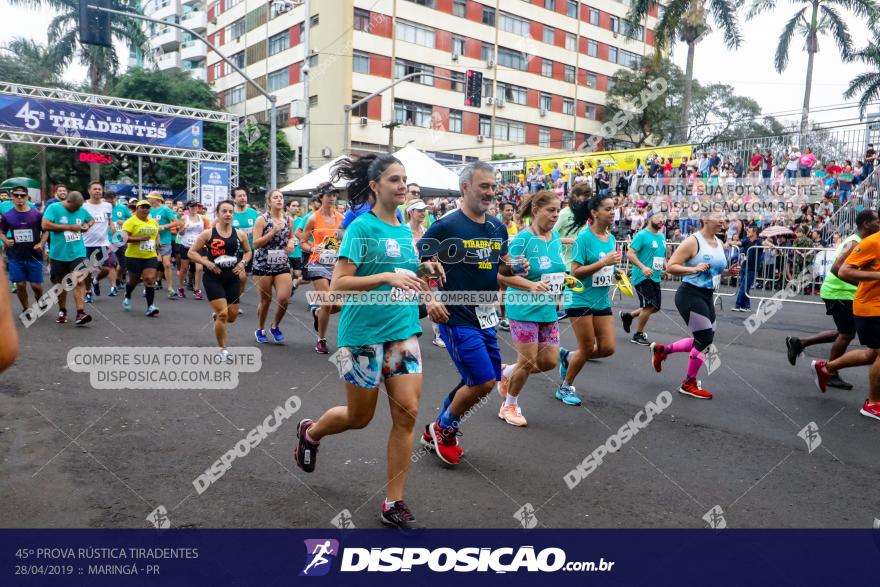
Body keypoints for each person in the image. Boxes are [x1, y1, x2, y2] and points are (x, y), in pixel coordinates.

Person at [294, 153, 440, 529]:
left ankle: (394, 500)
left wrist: (423, 273)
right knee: (359, 417)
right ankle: (311, 432)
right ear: (375, 186)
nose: (403, 185)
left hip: (403, 332)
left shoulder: (406, 230)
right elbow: (339, 285)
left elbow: (403, 273)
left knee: (406, 413)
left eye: (404, 178)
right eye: (394, 179)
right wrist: (385, 278)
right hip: (358, 335)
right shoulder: (360, 228)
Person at [417, 161, 514, 465]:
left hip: (486, 315)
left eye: (493, 186)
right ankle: (443, 428)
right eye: (484, 186)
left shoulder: (498, 227)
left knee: (483, 378)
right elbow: (419, 266)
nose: (490, 192)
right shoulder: (445, 226)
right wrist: (431, 298)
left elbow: (502, 267)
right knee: (483, 381)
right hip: (455, 314)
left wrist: (515, 269)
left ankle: (439, 427)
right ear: (465, 188)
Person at [650, 211, 739, 399]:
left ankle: (662, 350)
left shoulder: (719, 243)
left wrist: (727, 273)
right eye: (718, 217)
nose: (722, 220)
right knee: (705, 339)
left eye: (723, 218)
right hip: (689, 294)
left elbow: (713, 271)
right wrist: (693, 269)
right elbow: (671, 266)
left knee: (704, 339)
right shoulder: (693, 241)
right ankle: (688, 383)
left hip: (707, 295)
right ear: (705, 219)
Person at [788, 210, 880, 389]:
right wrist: (863, 283)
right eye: (877, 221)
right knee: (846, 334)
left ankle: (800, 343)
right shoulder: (855, 242)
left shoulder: (863, 241)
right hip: (839, 292)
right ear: (866, 224)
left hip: (845, 292)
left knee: (844, 332)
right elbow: (837, 268)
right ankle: (829, 372)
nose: (879, 224)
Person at [497, 191, 565, 426]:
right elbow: (503, 277)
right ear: (536, 211)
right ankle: (509, 405)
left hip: (547, 308)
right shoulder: (522, 240)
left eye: (558, 210)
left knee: (549, 361)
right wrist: (530, 285)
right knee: (526, 362)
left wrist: (562, 286)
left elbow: (555, 270)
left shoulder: (555, 237)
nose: (556, 214)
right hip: (523, 308)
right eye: (551, 210)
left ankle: (506, 373)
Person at [557, 194, 619, 405]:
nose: (612, 212)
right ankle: (565, 387)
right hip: (580, 298)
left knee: (608, 347)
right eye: (608, 209)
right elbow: (575, 272)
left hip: (601, 300)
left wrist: (615, 271)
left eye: (614, 208)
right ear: (595, 212)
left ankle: (568, 357)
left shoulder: (610, 238)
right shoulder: (584, 238)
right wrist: (603, 262)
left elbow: (606, 266)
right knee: (586, 347)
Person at [812, 229, 880, 420]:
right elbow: (843, 270)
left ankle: (826, 368)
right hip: (871, 307)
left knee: (871, 354)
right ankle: (873, 404)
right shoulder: (871, 242)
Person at [188, 200, 251, 357]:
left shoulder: (240, 234)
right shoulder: (208, 233)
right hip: (213, 277)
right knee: (223, 315)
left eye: (230, 211)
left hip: (232, 278)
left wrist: (242, 263)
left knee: (232, 317)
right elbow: (192, 252)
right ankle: (222, 348)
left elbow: (248, 252)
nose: (228, 214)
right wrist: (206, 262)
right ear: (218, 213)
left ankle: (218, 317)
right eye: (224, 211)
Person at [300, 182, 344, 354]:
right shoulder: (313, 218)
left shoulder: (341, 218)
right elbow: (302, 242)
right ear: (321, 197)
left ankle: (318, 313)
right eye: (328, 195)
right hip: (317, 263)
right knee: (327, 301)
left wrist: (340, 248)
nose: (332, 198)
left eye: (334, 195)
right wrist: (312, 248)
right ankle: (321, 339)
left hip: (335, 264)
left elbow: (343, 240)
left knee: (338, 306)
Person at [42, 191, 94, 325]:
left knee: (79, 280)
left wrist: (87, 226)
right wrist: (69, 227)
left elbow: (91, 219)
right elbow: (45, 225)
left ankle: (80, 313)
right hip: (58, 253)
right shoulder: (54, 208)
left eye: (79, 207)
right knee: (61, 285)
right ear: (68, 202)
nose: (77, 210)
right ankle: (62, 310)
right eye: (75, 207)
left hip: (78, 252)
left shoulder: (81, 210)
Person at [252, 190, 296, 344]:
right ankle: (260, 328)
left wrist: (291, 243)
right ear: (269, 202)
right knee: (266, 301)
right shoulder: (262, 220)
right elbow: (256, 243)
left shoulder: (289, 219)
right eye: (275, 197)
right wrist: (273, 232)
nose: (279, 200)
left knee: (284, 298)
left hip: (281, 262)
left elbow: (292, 237)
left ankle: (275, 326)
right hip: (263, 263)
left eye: (281, 197)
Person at [620, 210, 666, 345]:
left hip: (655, 276)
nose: (662, 220)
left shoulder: (662, 236)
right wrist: (643, 267)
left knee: (655, 307)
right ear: (650, 218)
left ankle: (628, 316)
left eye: (663, 217)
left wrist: (666, 267)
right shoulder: (642, 235)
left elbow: (661, 255)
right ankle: (638, 335)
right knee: (649, 305)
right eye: (658, 217)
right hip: (642, 276)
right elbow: (630, 254)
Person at [0, 185, 46, 311]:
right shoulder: (7, 216)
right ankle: (26, 308)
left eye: (22, 195)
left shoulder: (36, 215)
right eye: (16, 195)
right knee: (20, 284)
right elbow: (1, 231)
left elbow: (46, 231)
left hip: (34, 254)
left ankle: (39, 297)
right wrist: (6, 241)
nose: (19, 198)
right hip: (15, 255)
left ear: (27, 197)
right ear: (11, 198)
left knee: (36, 286)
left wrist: (41, 244)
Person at [120, 200, 162, 317]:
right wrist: (140, 238)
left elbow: (156, 234)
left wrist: (158, 242)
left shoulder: (153, 222)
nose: (145, 210)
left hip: (150, 255)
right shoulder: (130, 222)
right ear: (137, 209)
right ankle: (128, 295)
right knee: (134, 280)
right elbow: (123, 238)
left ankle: (150, 307)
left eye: (147, 207)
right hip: (133, 256)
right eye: (142, 207)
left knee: (149, 279)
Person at [81, 182, 117, 301]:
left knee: (106, 269)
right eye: (95, 189)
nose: (97, 191)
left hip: (104, 243)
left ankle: (96, 281)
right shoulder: (83, 206)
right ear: (89, 191)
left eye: (99, 189)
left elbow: (109, 219)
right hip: (87, 243)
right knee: (88, 271)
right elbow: (79, 221)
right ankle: (88, 291)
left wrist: (112, 227)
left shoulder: (107, 205)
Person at [146, 192, 179, 299]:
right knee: (152, 264)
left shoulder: (165, 209)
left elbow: (176, 222)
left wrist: (164, 226)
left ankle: (170, 288)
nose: (148, 199)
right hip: (150, 240)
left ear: (156, 199)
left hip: (165, 240)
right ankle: (148, 285)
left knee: (167, 264)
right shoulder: (147, 209)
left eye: (149, 198)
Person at [177, 201, 208, 300]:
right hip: (186, 245)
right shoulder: (184, 218)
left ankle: (197, 290)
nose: (194, 208)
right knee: (184, 268)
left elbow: (206, 230)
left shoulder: (202, 218)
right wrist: (184, 229)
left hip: (198, 247)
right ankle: (181, 287)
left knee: (199, 268)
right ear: (188, 207)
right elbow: (180, 233)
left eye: (196, 206)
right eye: (192, 206)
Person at [733, 225, 764, 312]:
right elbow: (738, 243)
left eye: (749, 231)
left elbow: (766, 243)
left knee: (743, 287)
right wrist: (729, 243)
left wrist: (770, 245)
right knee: (745, 288)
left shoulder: (759, 241)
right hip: (744, 267)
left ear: (754, 232)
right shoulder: (746, 241)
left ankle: (738, 305)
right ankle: (746, 306)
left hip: (752, 269)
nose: (747, 232)